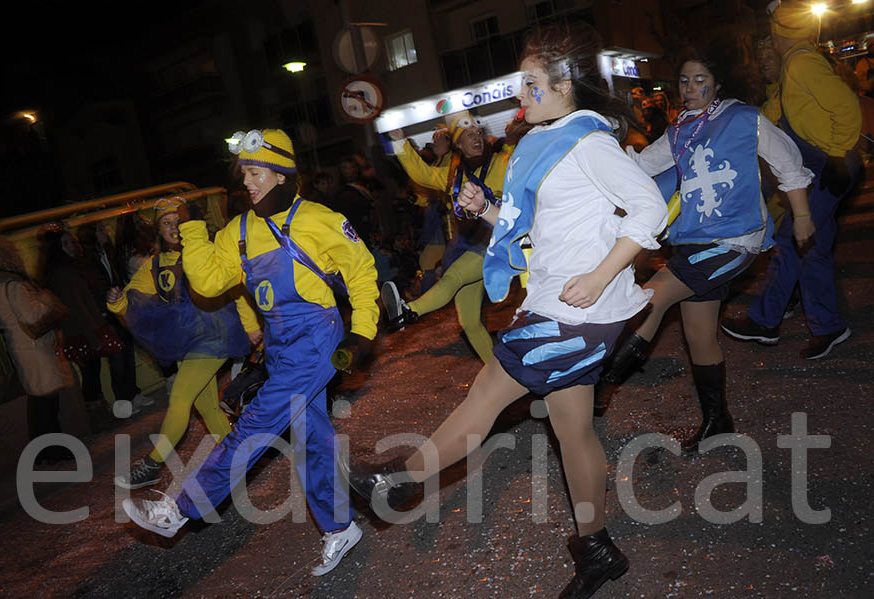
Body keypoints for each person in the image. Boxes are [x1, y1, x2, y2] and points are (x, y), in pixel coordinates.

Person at [343, 23, 668, 599]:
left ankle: (399, 482)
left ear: (565, 83)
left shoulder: (586, 141)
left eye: (530, 82)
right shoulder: (547, 142)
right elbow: (544, 234)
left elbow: (649, 208)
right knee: (574, 430)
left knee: (488, 392)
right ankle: (597, 550)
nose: (520, 93)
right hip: (564, 305)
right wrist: (491, 212)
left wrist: (599, 275)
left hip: (574, 313)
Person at [120, 129, 378, 577]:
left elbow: (361, 271)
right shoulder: (239, 230)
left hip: (317, 337)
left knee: (254, 426)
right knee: (310, 438)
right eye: (245, 174)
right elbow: (207, 283)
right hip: (280, 343)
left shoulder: (318, 218)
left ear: (280, 175)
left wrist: (362, 333)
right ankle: (340, 527)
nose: (249, 183)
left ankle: (178, 509)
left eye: (256, 173)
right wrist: (193, 228)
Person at [601, 41, 814, 452]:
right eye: (684, 80)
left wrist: (802, 216)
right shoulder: (679, 130)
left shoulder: (742, 118)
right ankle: (718, 421)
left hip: (733, 240)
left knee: (650, 297)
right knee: (699, 335)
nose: (691, 87)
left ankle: (602, 384)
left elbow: (787, 163)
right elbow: (642, 168)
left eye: (701, 79)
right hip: (693, 242)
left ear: (717, 83)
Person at [721, 1, 862, 360]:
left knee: (793, 237)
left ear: (781, 33)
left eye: (772, 35)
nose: (769, 44)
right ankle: (828, 326)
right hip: (826, 161)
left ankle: (766, 321)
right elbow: (770, 123)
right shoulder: (793, 70)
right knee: (812, 248)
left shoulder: (800, 61)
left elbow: (846, 107)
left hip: (832, 161)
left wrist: (837, 153)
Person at [107, 198, 259, 489]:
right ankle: (241, 459)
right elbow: (131, 297)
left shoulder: (203, 250)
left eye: (178, 220)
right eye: (166, 223)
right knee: (208, 408)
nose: (174, 227)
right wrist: (116, 301)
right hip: (184, 341)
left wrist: (251, 326)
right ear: (158, 230)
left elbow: (235, 286)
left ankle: (152, 464)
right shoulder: (153, 265)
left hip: (214, 333)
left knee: (179, 399)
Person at [381, 110, 513, 364]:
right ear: (458, 144)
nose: (476, 139)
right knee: (470, 322)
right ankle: (499, 373)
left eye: (478, 133)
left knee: (452, 278)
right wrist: (399, 141)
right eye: (468, 135)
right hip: (470, 247)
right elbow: (421, 174)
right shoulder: (454, 174)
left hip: (500, 244)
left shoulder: (504, 161)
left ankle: (408, 311)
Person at [0, 233, 76, 464]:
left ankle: (43, 453)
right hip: (36, 349)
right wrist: (47, 299)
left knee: (40, 402)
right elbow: (32, 316)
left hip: (21, 348)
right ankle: (55, 451)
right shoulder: (13, 284)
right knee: (47, 404)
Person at [42, 225, 121, 433]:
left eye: (72, 242)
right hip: (82, 331)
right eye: (66, 244)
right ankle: (97, 418)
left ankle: (100, 415)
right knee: (91, 375)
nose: (72, 247)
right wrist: (93, 335)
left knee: (92, 373)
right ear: (59, 248)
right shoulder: (64, 273)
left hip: (81, 330)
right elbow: (77, 307)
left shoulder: (65, 270)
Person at [76, 221, 153, 415]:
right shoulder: (88, 259)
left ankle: (133, 394)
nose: (106, 231)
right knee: (117, 359)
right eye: (100, 229)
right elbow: (96, 286)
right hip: (106, 313)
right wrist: (110, 300)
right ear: (92, 234)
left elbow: (115, 278)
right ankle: (124, 403)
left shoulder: (106, 253)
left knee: (127, 352)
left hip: (118, 307)